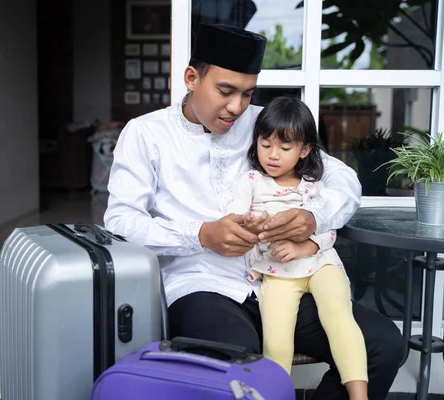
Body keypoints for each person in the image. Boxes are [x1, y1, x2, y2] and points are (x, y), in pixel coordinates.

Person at [104, 23, 403, 400]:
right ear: (191, 78)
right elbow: (121, 221)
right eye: (225, 91)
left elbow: (343, 178)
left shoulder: (266, 124)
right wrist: (200, 234)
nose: (236, 107)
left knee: (385, 344)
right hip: (202, 285)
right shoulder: (146, 134)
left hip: (285, 276)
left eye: (247, 93)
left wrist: (314, 218)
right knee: (238, 364)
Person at [227, 96, 368, 399]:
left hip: (322, 264)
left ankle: (359, 395)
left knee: (339, 315)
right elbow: (237, 219)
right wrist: (252, 225)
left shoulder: (314, 185)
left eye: (285, 147)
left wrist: (306, 246)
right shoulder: (251, 181)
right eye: (265, 145)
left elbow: (330, 232)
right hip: (276, 271)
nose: (273, 155)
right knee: (276, 340)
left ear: (304, 150)